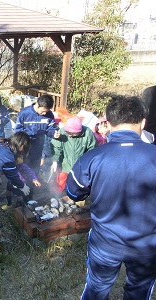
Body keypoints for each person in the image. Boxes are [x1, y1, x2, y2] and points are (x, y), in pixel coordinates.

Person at [66, 96, 156, 299]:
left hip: (105, 242)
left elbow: (72, 192)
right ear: (143, 122)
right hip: (147, 245)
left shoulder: (91, 158)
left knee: (97, 289)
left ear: (107, 123)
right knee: (139, 292)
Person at [50, 116, 97, 192]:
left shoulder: (87, 133)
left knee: (77, 185)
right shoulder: (62, 132)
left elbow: (92, 149)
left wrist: (88, 164)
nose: (70, 135)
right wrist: (55, 160)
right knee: (60, 183)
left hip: (80, 166)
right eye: (68, 133)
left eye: (73, 134)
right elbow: (56, 146)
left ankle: (74, 198)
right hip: (64, 164)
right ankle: (57, 197)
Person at [15, 94, 58, 175]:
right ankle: (19, 185)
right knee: (22, 166)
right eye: (43, 111)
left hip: (38, 145)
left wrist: (53, 133)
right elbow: (18, 130)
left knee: (35, 167)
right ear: (38, 105)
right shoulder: (25, 113)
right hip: (24, 146)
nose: (45, 113)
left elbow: (50, 129)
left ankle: (32, 185)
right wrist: (20, 144)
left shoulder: (49, 115)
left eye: (47, 111)